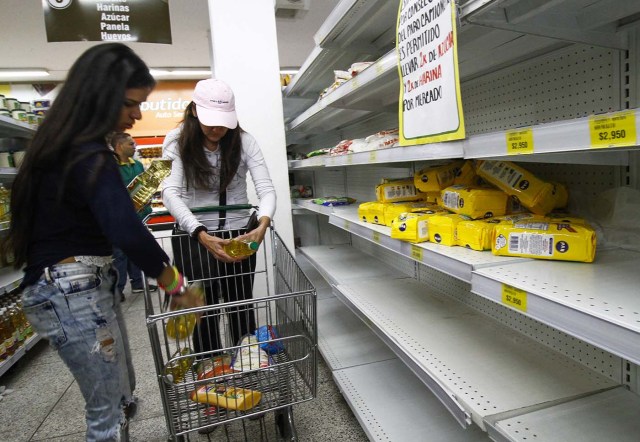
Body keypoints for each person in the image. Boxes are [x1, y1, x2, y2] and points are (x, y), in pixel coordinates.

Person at [1, 43, 201, 442]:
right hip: (72, 289)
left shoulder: (60, 147)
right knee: (105, 414)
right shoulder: (87, 152)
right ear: (100, 96)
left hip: (76, 285)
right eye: (131, 103)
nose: (138, 115)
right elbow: (126, 229)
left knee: (122, 391)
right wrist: (175, 284)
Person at [161, 78, 276, 358]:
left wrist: (261, 225)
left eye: (224, 121)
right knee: (201, 310)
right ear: (194, 112)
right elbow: (170, 192)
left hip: (238, 235)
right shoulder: (176, 141)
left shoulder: (245, 141)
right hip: (194, 239)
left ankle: (245, 360)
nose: (217, 128)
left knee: (240, 305)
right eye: (210, 120)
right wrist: (200, 232)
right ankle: (209, 366)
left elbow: (267, 190)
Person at [111, 132, 158, 300]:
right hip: (119, 218)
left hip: (139, 216)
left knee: (136, 250)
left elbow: (145, 185)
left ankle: (138, 283)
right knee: (120, 254)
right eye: (131, 144)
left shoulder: (137, 165)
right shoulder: (110, 167)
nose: (134, 146)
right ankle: (118, 289)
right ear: (119, 146)